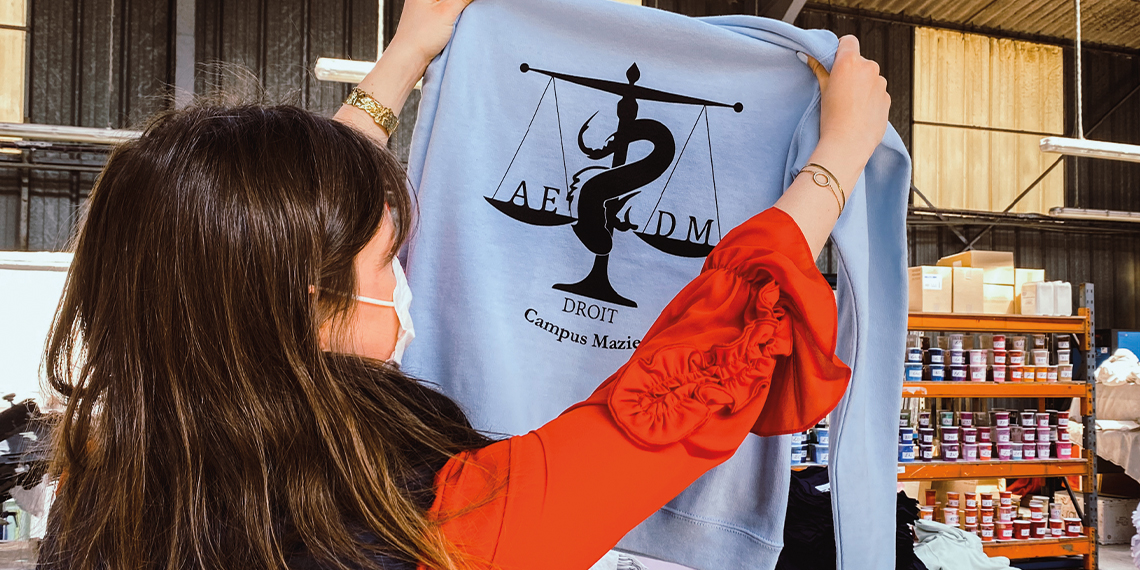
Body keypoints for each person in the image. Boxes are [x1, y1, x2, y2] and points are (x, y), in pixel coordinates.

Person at [36, 0, 890, 568]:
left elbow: (266, 232)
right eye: (388, 262)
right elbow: (670, 409)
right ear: (308, 304)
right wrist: (834, 163)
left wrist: (406, 53)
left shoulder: (107, 494)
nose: (404, 278)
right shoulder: (428, 530)